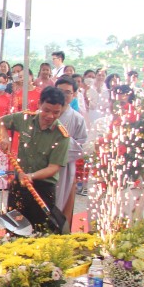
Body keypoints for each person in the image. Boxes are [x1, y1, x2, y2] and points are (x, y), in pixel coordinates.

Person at [0, 86, 70, 231]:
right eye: (46, 110)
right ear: (39, 104)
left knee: (40, 230)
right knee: (14, 228)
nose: (50, 116)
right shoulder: (25, 119)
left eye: (56, 112)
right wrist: (4, 138)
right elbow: (0, 122)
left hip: (43, 188)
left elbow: (54, 167)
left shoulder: (61, 135)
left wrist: (31, 176)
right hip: (19, 183)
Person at [53, 77, 87, 231]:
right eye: (60, 91)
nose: (63, 95)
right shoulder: (44, 114)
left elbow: (82, 145)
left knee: (63, 203)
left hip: (64, 169)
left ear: (74, 95)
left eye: (68, 92)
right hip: (42, 167)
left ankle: (61, 234)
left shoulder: (77, 118)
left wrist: (60, 147)